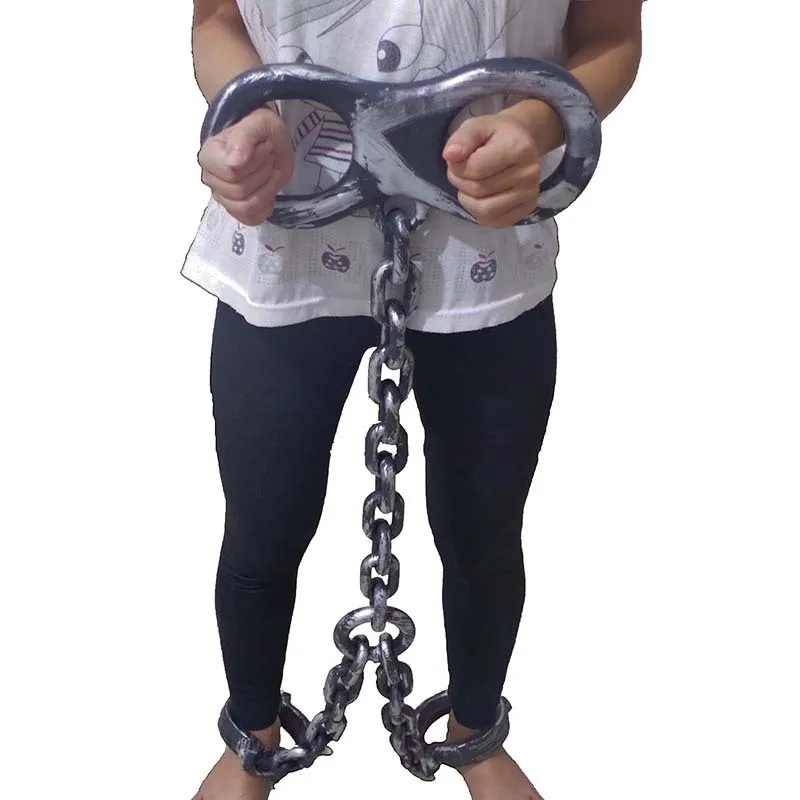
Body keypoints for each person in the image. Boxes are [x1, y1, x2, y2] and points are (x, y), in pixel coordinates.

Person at [186, 1, 643, 798]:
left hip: (485, 252)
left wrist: (536, 124)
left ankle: (475, 731)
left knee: (483, 533)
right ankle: (251, 736)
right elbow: (217, 19)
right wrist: (247, 108)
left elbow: (610, 37)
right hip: (286, 236)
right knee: (262, 526)